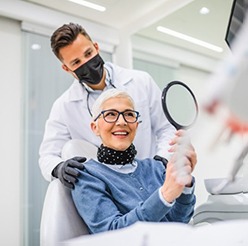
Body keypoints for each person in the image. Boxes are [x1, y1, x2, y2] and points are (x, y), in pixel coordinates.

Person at [39, 22, 178, 188]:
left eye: (88, 53)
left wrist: (161, 161)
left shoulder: (141, 82)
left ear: (96, 47)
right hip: (107, 189)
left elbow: (166, 129)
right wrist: (58, 168)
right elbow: (48, 155)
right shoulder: (64, 106)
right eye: (76, 62)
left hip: (151, 180)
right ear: (66, 68)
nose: (86, 63)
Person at [71, 89, 196, 234]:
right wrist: (164, 195)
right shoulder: (87, 177)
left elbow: (179, 222)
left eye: (129, 114)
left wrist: (185, 185)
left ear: (136, 125)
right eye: (111, 114)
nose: (122, 122)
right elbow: (112, 234)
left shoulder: (155, 168)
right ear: (95, 127)